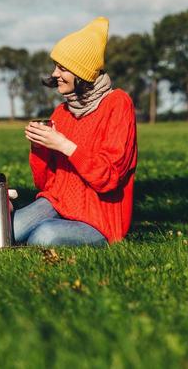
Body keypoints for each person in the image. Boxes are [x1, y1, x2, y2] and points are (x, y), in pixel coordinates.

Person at [15, 17, 138, 247]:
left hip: (99, 219)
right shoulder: (61, 112)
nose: (54, 74)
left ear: (81, 72)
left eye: (62, 68)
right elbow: (45, 184)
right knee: (7, 230)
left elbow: (108, 179)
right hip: (57, 203)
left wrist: (64, 145)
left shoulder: (118, 104)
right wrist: (39, 147)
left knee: (44, 236)